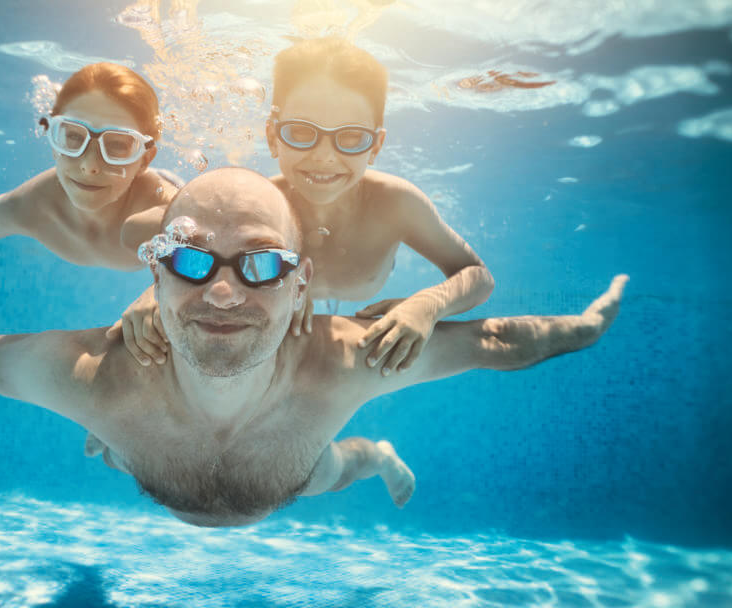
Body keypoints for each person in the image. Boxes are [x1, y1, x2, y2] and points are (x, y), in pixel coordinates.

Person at [0, 168, 627, 529]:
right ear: (155, 271)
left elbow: (492, 338)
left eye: (258, 263)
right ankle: (117, 446)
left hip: (294, 466)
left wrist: (584, 329)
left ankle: (380, 454)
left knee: (336, 466)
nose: (220, 292)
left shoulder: (346, 359)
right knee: (112, 435)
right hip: (144, 437)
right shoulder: (95, 377)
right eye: (185, 258)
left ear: (301, 283)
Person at [117, 38, 495, 378]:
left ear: (376, 147)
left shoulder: (396, 204)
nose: (324, 157)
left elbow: (477, 275)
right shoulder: (256, 206)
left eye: (350, 138)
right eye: (301, 132)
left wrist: (427, 306)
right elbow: (134, 230)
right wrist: (157, 290)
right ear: (271, 136)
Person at [0, 63, 178, 272]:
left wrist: (153, 299)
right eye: (72, 136)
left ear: (145, 158)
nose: (90, 165)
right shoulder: (32, 206)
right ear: (54, 143)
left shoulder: (167, 213)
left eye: (118, 145)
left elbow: (212, 257)